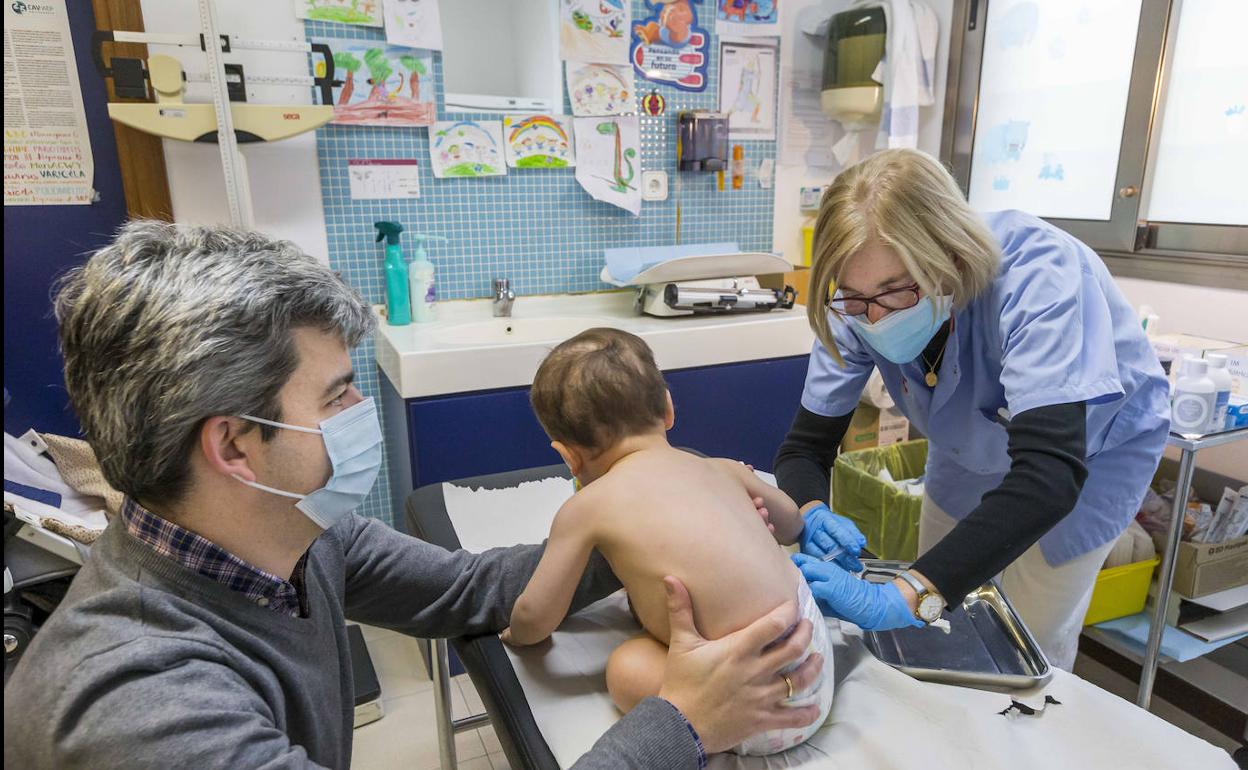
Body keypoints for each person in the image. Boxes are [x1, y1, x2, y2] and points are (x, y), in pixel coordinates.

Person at [2, 221, 823, 769]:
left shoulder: (292, 538)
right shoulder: (143, 710)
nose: (362, 416)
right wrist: (678, 723)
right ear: (233, 446)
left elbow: (470, 590)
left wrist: (670, 528)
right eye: (335, 397)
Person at [776, 149, 1170, 670]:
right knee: (942, 620)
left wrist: (906, 594)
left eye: (895, 293)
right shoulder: (855, 300)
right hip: (966, 445)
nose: (873, 317)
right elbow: (805, 447)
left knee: (1026, 639)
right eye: (854, 297)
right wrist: (810, 510)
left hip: (1089, 456)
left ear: (950, 259)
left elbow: (1049, 475)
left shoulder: (1038, 276)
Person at [504, 328, 836, 756]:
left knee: (625, 665)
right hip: (812, 671)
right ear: (667, 408)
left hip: (743, 712)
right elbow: (791, 522)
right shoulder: (721, 469)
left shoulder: (586, 508)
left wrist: (518, 632)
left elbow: (537, 613)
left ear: (568, 456)